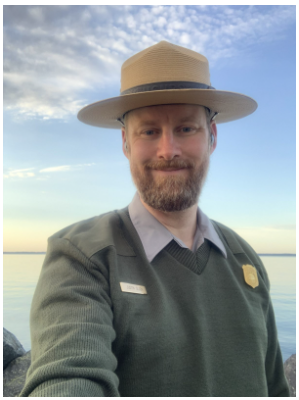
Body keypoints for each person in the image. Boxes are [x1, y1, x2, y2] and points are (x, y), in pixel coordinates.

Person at [21, 41, 289, 397]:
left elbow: (275, 388)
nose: (168, 150)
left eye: (186, 129)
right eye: (148, 131)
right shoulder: (83, 256)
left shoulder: (245, 260)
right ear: (125, 144)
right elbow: (67, 376)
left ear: (212, 137)